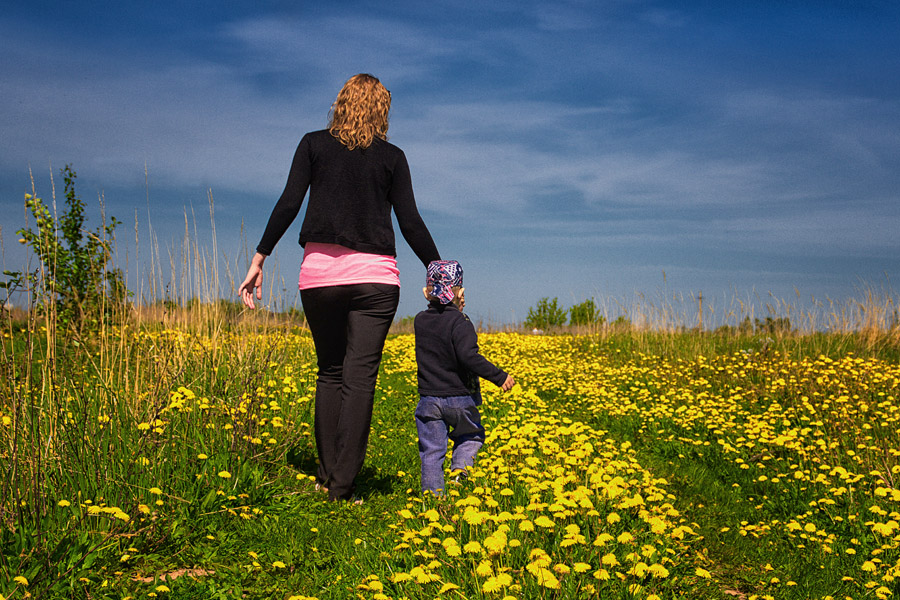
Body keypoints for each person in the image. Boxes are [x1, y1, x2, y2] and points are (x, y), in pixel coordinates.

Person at [238, 74, 441, 502]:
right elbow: (410, 222)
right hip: (375, 280)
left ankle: (328, 474)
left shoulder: (313, 144)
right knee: (360, 377)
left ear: (340, 104)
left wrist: (260, 257)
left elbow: (289, 202)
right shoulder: (393, 157)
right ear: (383, 110)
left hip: (320, 279)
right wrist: (438, 270)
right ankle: (342, 488)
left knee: (330, 372)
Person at [413, 260, 515, 494]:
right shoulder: (461, 322)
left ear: (426, 292)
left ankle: (433, 499)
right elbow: (469, 357)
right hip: (459, 398)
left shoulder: (420, 320)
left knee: (431, 451)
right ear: (460, 293)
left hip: (428, 399)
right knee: (471, 435)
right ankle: (460, 471)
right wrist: (499, 376)